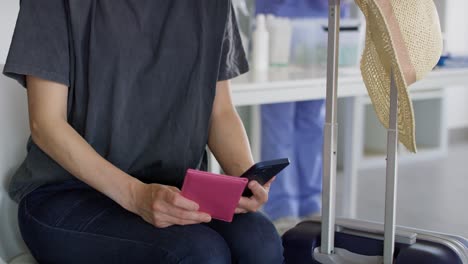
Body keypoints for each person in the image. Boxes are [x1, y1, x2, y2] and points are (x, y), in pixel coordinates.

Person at [3, 0, 283, 263]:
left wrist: (247, 180)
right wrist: (137, 196)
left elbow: (219, 112)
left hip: (174, 190)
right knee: (201, 254)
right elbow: (47, 124)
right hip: (68, 195)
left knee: (260, 243)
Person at [256, 0, 349, 234]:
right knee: (279, 124)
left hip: (324, 25)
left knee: (313, 123)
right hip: (280, 22)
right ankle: (281, 208)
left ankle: (310, 203)